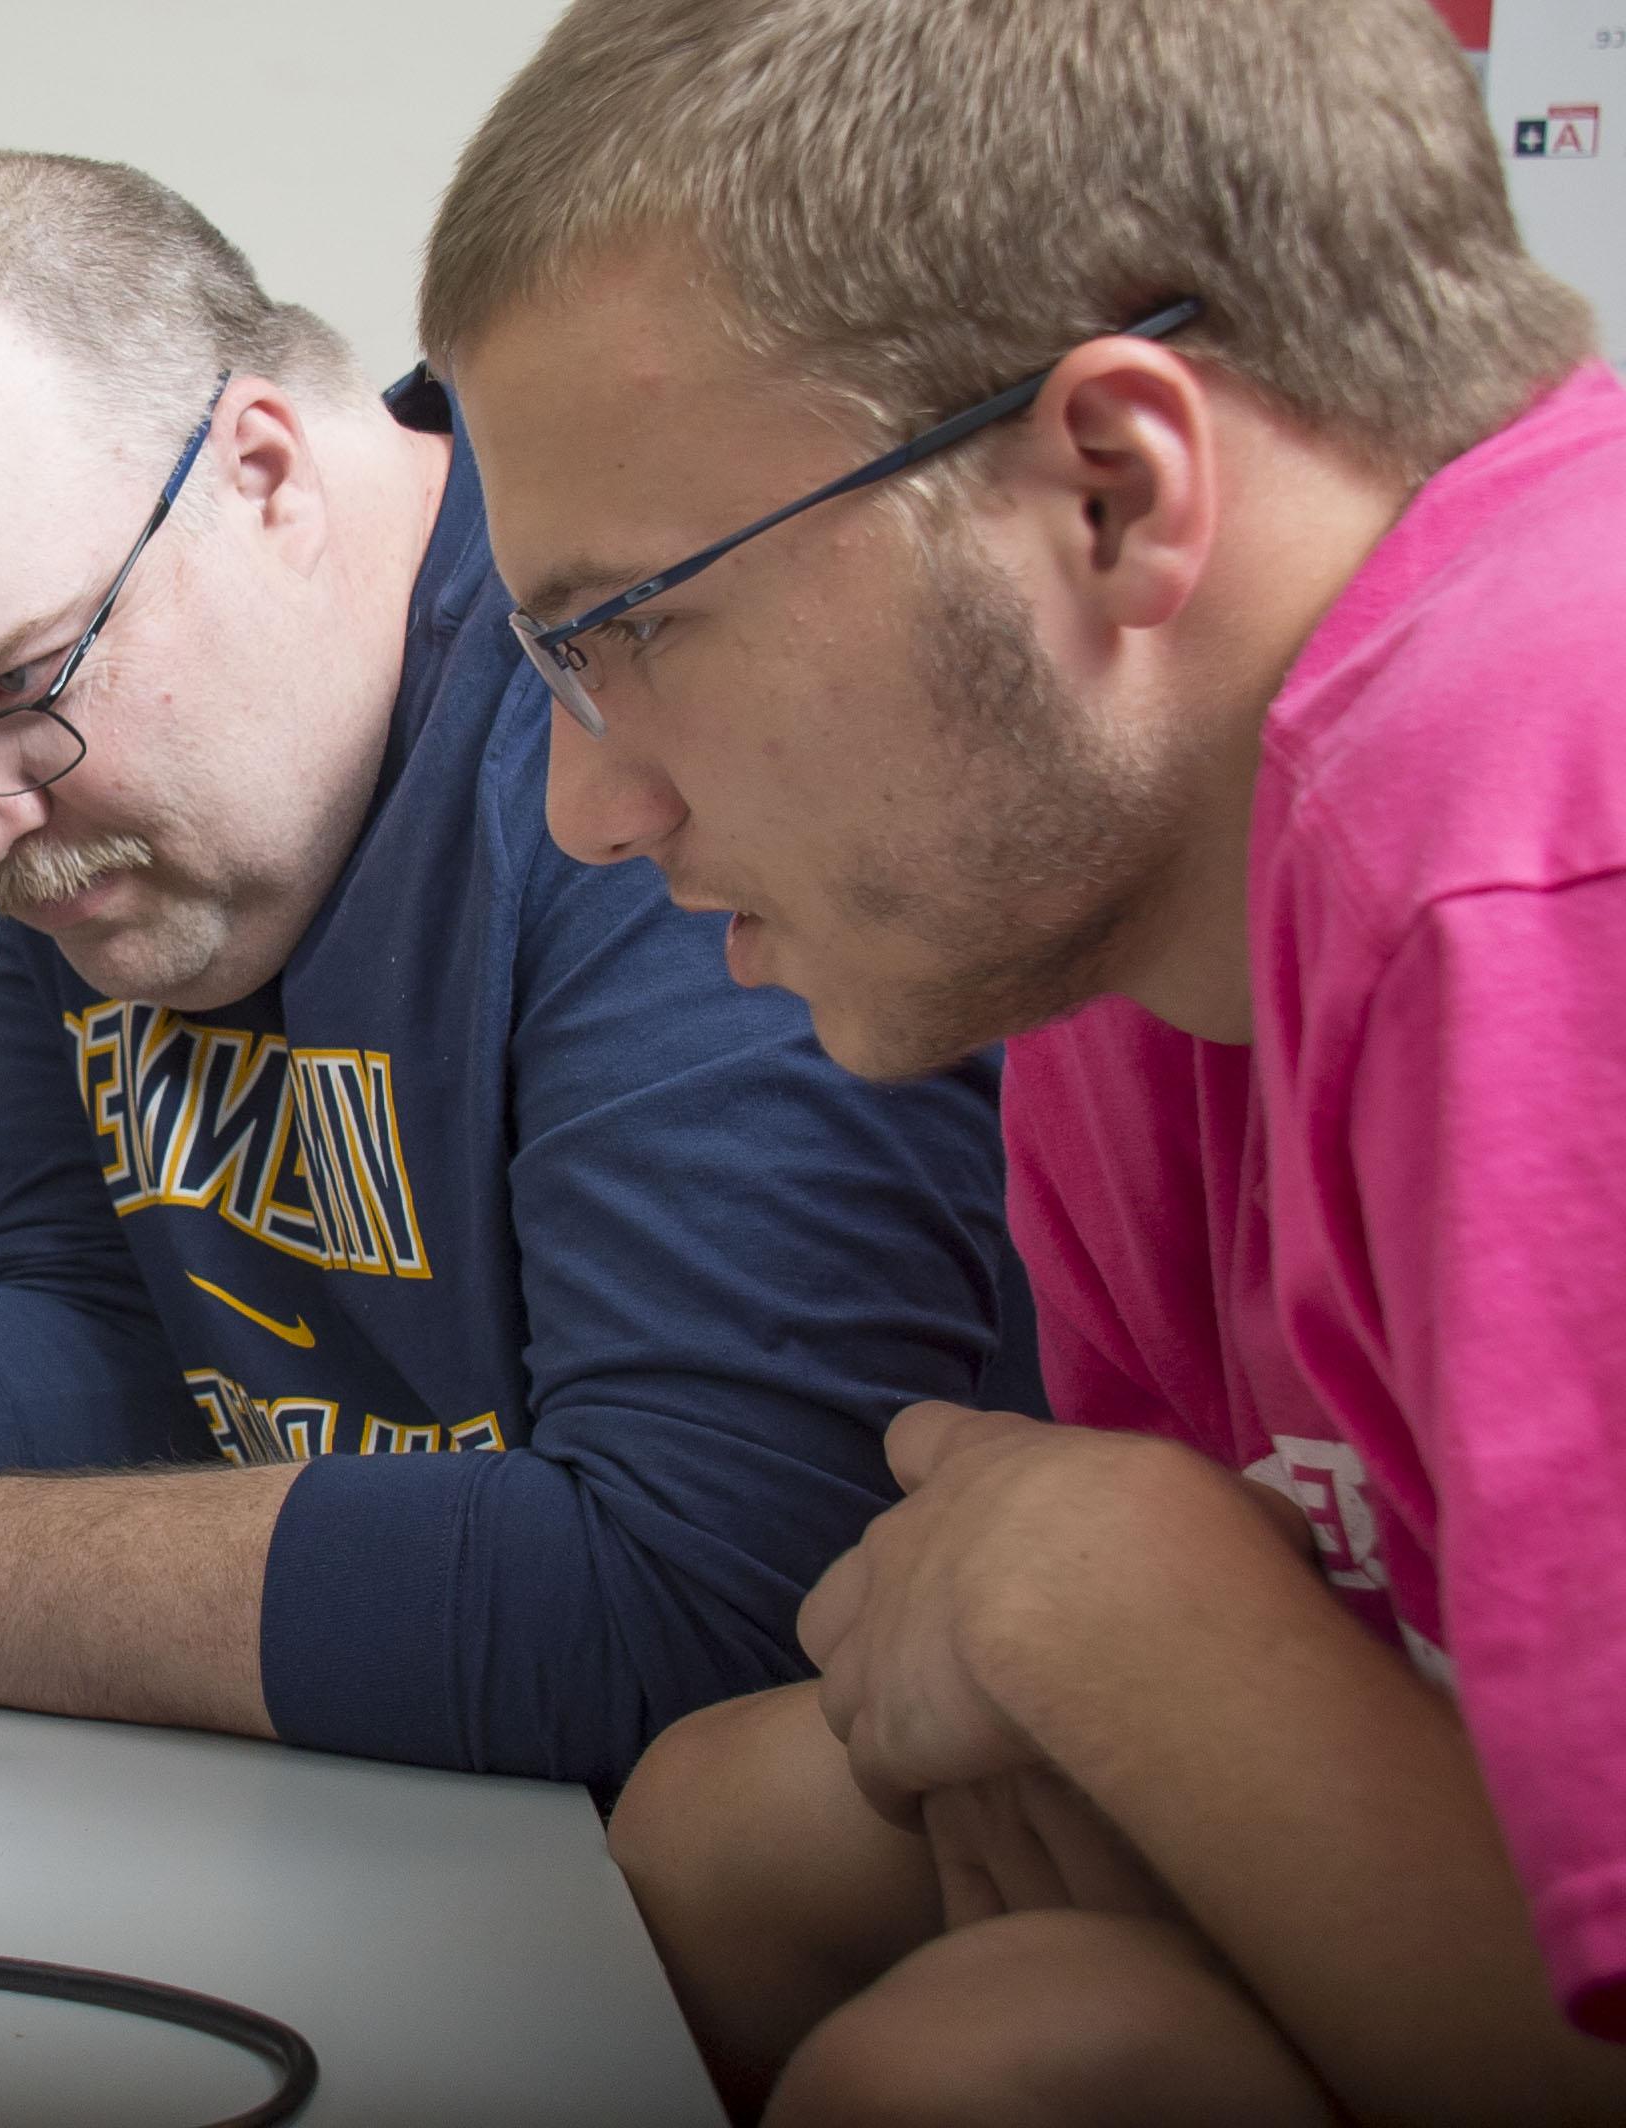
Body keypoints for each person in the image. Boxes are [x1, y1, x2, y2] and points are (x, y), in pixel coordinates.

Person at [0, 150, 1031, 1784]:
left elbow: (718, 1600)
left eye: (26, 681)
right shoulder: (65, 807)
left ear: (261, 471)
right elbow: (117, 1341)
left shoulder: (629, 731)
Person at [423, 0, 1626, 2117]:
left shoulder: (1535, 832)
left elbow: (1128, 1624)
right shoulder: (1116, 909)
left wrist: (1100, 1592)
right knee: (726, 1837)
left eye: (631, 629)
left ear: (1103, 491)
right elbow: (1134, 1790)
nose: (587, 813)